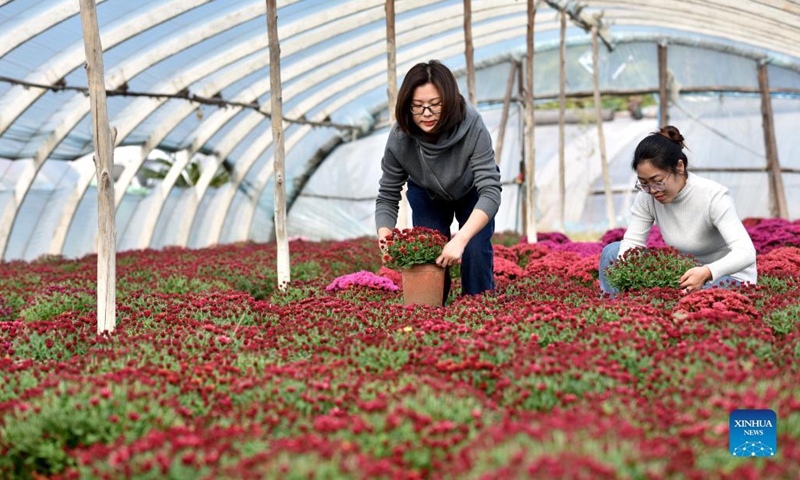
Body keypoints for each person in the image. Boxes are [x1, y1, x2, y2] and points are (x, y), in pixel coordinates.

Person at [375, 60, 502, 304]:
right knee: (430, 254)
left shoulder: (472, 125)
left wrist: (461, 240)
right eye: (418, 106)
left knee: (475, 249)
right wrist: (385, 238)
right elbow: (387, 195)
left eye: (435, 105)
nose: (426, 114)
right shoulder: (400, 137)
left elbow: (490, 191)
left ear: (450, 101)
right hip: (427, 193)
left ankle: (478, 310)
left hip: (473, 190)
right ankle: (431, 315)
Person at [599, 125, 757, 295]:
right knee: (612, 252)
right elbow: (633, 243)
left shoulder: (713, 196)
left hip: (726, 277)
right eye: (644, 183)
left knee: (703, 294)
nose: (652, 190)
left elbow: (746, 252)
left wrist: (706, 272)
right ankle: (617, 307)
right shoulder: (647, 197)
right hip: (682, 272)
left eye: (657, 180)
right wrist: (625, 272)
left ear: (680, 167)